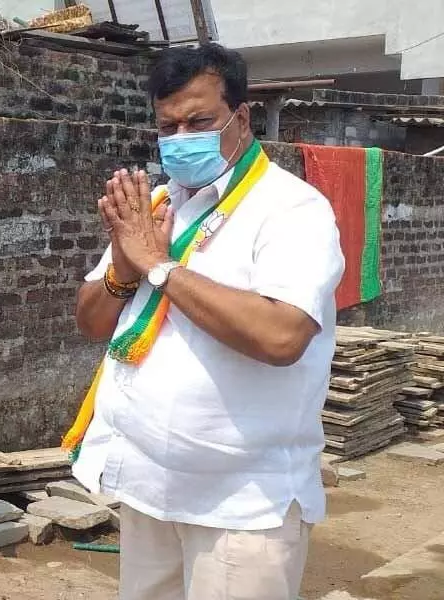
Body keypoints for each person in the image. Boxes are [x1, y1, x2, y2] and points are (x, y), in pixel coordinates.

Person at [68, 43, 344, 599]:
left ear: (240, 118)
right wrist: (126, 265)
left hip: (243, 503)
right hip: (149, 487)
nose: (180, 138)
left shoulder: (291, 209)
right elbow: (92, 321)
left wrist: (160, 267)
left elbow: (281, 335)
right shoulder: (159, 204)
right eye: (167, 126)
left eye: (199, 121)